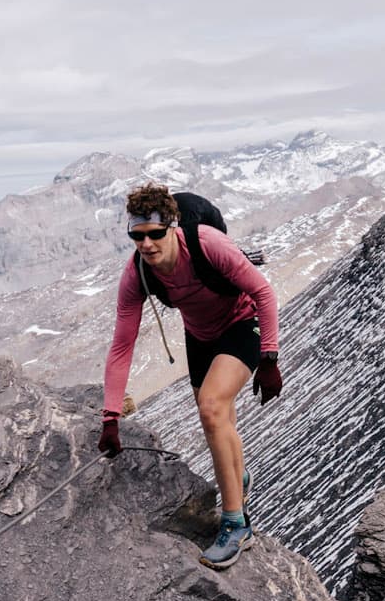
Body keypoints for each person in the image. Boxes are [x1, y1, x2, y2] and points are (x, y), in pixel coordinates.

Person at [99, 183, 283, 569]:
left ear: (172, 227)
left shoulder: (207, 244)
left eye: (155, 234)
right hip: (199, 336)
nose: (146, 244)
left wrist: (269, 359)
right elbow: (121, 346)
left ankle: (236, 525)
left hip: (241, 323)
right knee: (218, 419)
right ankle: (237, 478)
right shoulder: (137, 273)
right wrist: (110, 417)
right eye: (137, 236)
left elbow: (263, 293)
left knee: (211, 407)